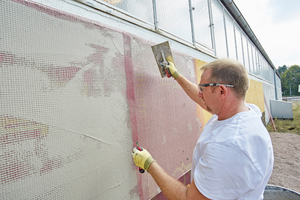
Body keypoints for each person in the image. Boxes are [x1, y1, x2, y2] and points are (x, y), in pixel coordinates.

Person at [132, 58, 274, 200]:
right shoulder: (244, 112)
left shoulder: (228, 145)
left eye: (202, 88)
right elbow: (205, 100)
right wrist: (177, 76)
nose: (200, 93)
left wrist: (149, 164)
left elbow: (189, 198)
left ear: (222, 91)